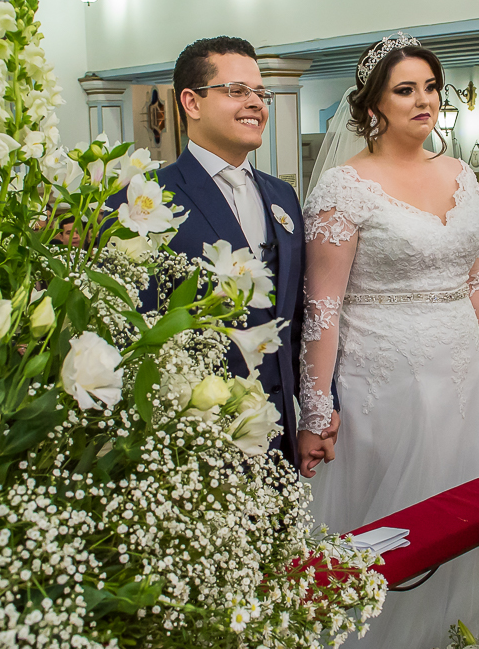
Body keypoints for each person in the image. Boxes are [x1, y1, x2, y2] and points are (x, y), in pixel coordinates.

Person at [298, 33, 479, 649]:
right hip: (381, 375)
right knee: (399, 514)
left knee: (472, 497)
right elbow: (323, 308)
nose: (424, 101)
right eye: (405, 89)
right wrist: (315, 406)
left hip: (462, 368)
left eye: (431, 87)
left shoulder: (460, 174)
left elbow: (473, 277)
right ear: (373, 105)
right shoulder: (345, 186)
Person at [107, 36, 339, 470]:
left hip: (280, 429)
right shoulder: (142, 203)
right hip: (192, 438)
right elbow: (130, 333)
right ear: (191, 102)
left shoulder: (283, 195)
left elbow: (301, 315)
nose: (256, 104)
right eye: (237, 91)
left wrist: (318, 409)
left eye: (260, 93)